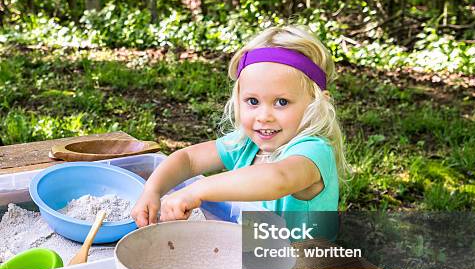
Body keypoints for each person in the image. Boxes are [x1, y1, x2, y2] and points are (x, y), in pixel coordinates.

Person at [131, 24, 348, 226]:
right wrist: (152, 190)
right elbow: (188, 159)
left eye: (281, 102)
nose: (264, 116)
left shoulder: (313, 151)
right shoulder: (246, 145)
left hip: (303, 264)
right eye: (252, 101)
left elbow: (277, 179)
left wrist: (197, 190)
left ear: (317, 105)